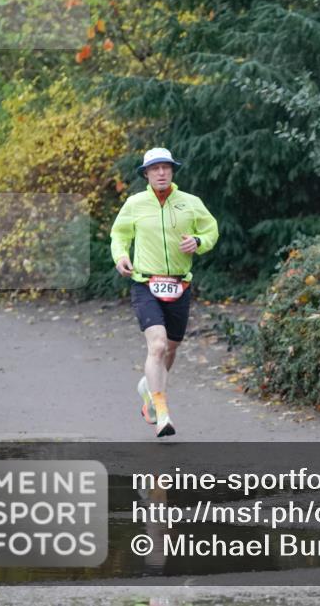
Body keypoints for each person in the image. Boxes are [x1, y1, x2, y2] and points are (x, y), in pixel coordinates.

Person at [110, 147, 219, 437]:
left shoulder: (190, 203)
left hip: (179, 284)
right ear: (146, 173)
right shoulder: (135, 203)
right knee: (156, 346)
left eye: (166, 168)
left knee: (170, 349)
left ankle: (149, 387)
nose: (161, 173)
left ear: (172, 171)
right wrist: (120, 256)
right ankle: (161, 412)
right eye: (155, 168)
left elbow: (211, 230)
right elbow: (119, 235)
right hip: (145, 282)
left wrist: (199, 241)